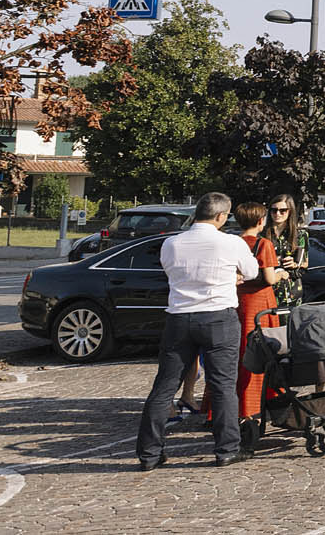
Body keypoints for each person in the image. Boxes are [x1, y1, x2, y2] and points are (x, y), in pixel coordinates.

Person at [136, 193, 259, 470]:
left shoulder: (172, 242)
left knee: (164, 386)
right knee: (223, 385)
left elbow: (170, 272)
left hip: (180, 316)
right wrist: (231, 276)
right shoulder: (231, 242)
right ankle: (227, 449)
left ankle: (149, 453)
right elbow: (251, 271)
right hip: (218, 316)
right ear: (220, 216)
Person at [226, 200, 284, 425]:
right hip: (260, 302)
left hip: (238, 300)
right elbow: (269, 278)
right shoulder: (263, 244)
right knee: (261, 352)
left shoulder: (232, 243)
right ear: (261, 221)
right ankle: (255, 404)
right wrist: (282, 275)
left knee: (239, 352)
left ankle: (233, 404)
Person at [261, 194, 308, 310]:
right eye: (274, 210)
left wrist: (295, 264)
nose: (277, 214)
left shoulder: (300, 235)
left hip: (291, 292)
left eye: (283, 211)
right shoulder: (261, 235)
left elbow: (305, 264)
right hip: (266, 290)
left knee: (290, 327)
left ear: (290, 212)